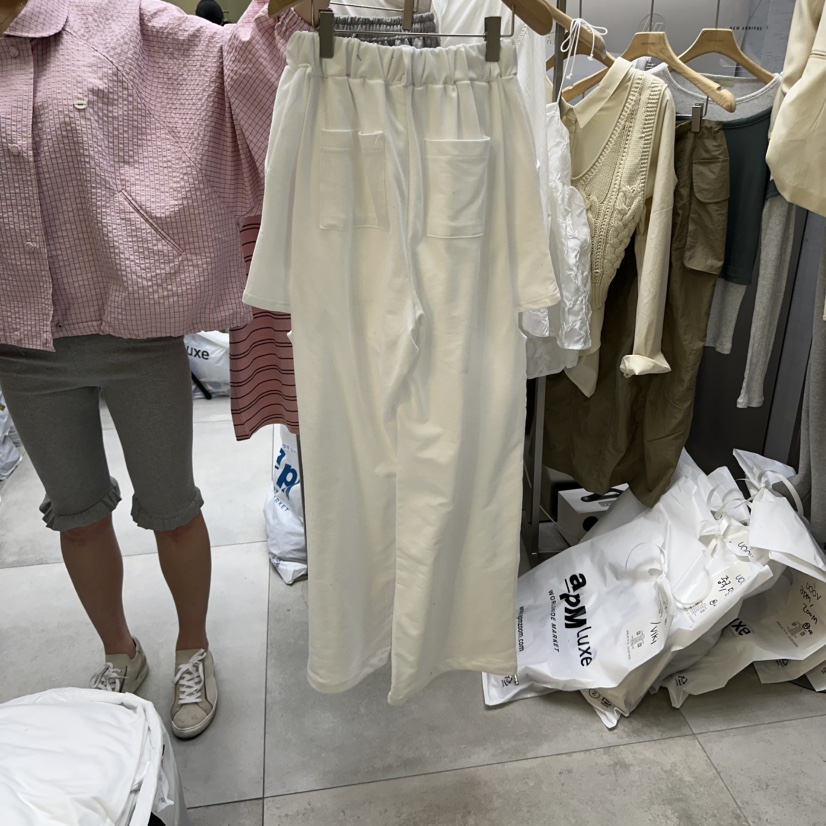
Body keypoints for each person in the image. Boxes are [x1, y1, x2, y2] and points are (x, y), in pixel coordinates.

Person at [0, 0, 325, 739]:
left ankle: (193, 648)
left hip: (133, 318)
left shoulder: (116, 22)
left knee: (172, 506)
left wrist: (283, 12)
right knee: (76, 514)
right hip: (19, 338)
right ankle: (119, 652)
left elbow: (231, 61)